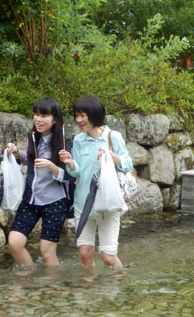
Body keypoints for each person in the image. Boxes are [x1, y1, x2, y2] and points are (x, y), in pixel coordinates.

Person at [59, 95, 133, 269]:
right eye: (76, 116)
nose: (78, 120)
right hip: (82, 204)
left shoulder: (113, 137)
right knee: (85, 254)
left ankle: (118, 287)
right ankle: (89, 293)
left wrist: (111, 155)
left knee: (107, 257)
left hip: (108, 204)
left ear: (94, 114)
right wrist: (70, 162)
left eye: (82, 115)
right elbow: (76, 172)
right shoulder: (78, 140)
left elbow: (128, 164)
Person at [5, 97, 72, 267]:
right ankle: (30, 276)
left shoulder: (64, 144)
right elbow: (29, 158)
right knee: (14, 242)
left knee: (47, 252)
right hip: (31, 200)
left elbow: (70, 176)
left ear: (55, 119)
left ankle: (50, 290)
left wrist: (51, 166)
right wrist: (17, 153)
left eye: (44, 115)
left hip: (55, 202)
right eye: (36, 114)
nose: (38, 119)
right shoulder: (34, 137)